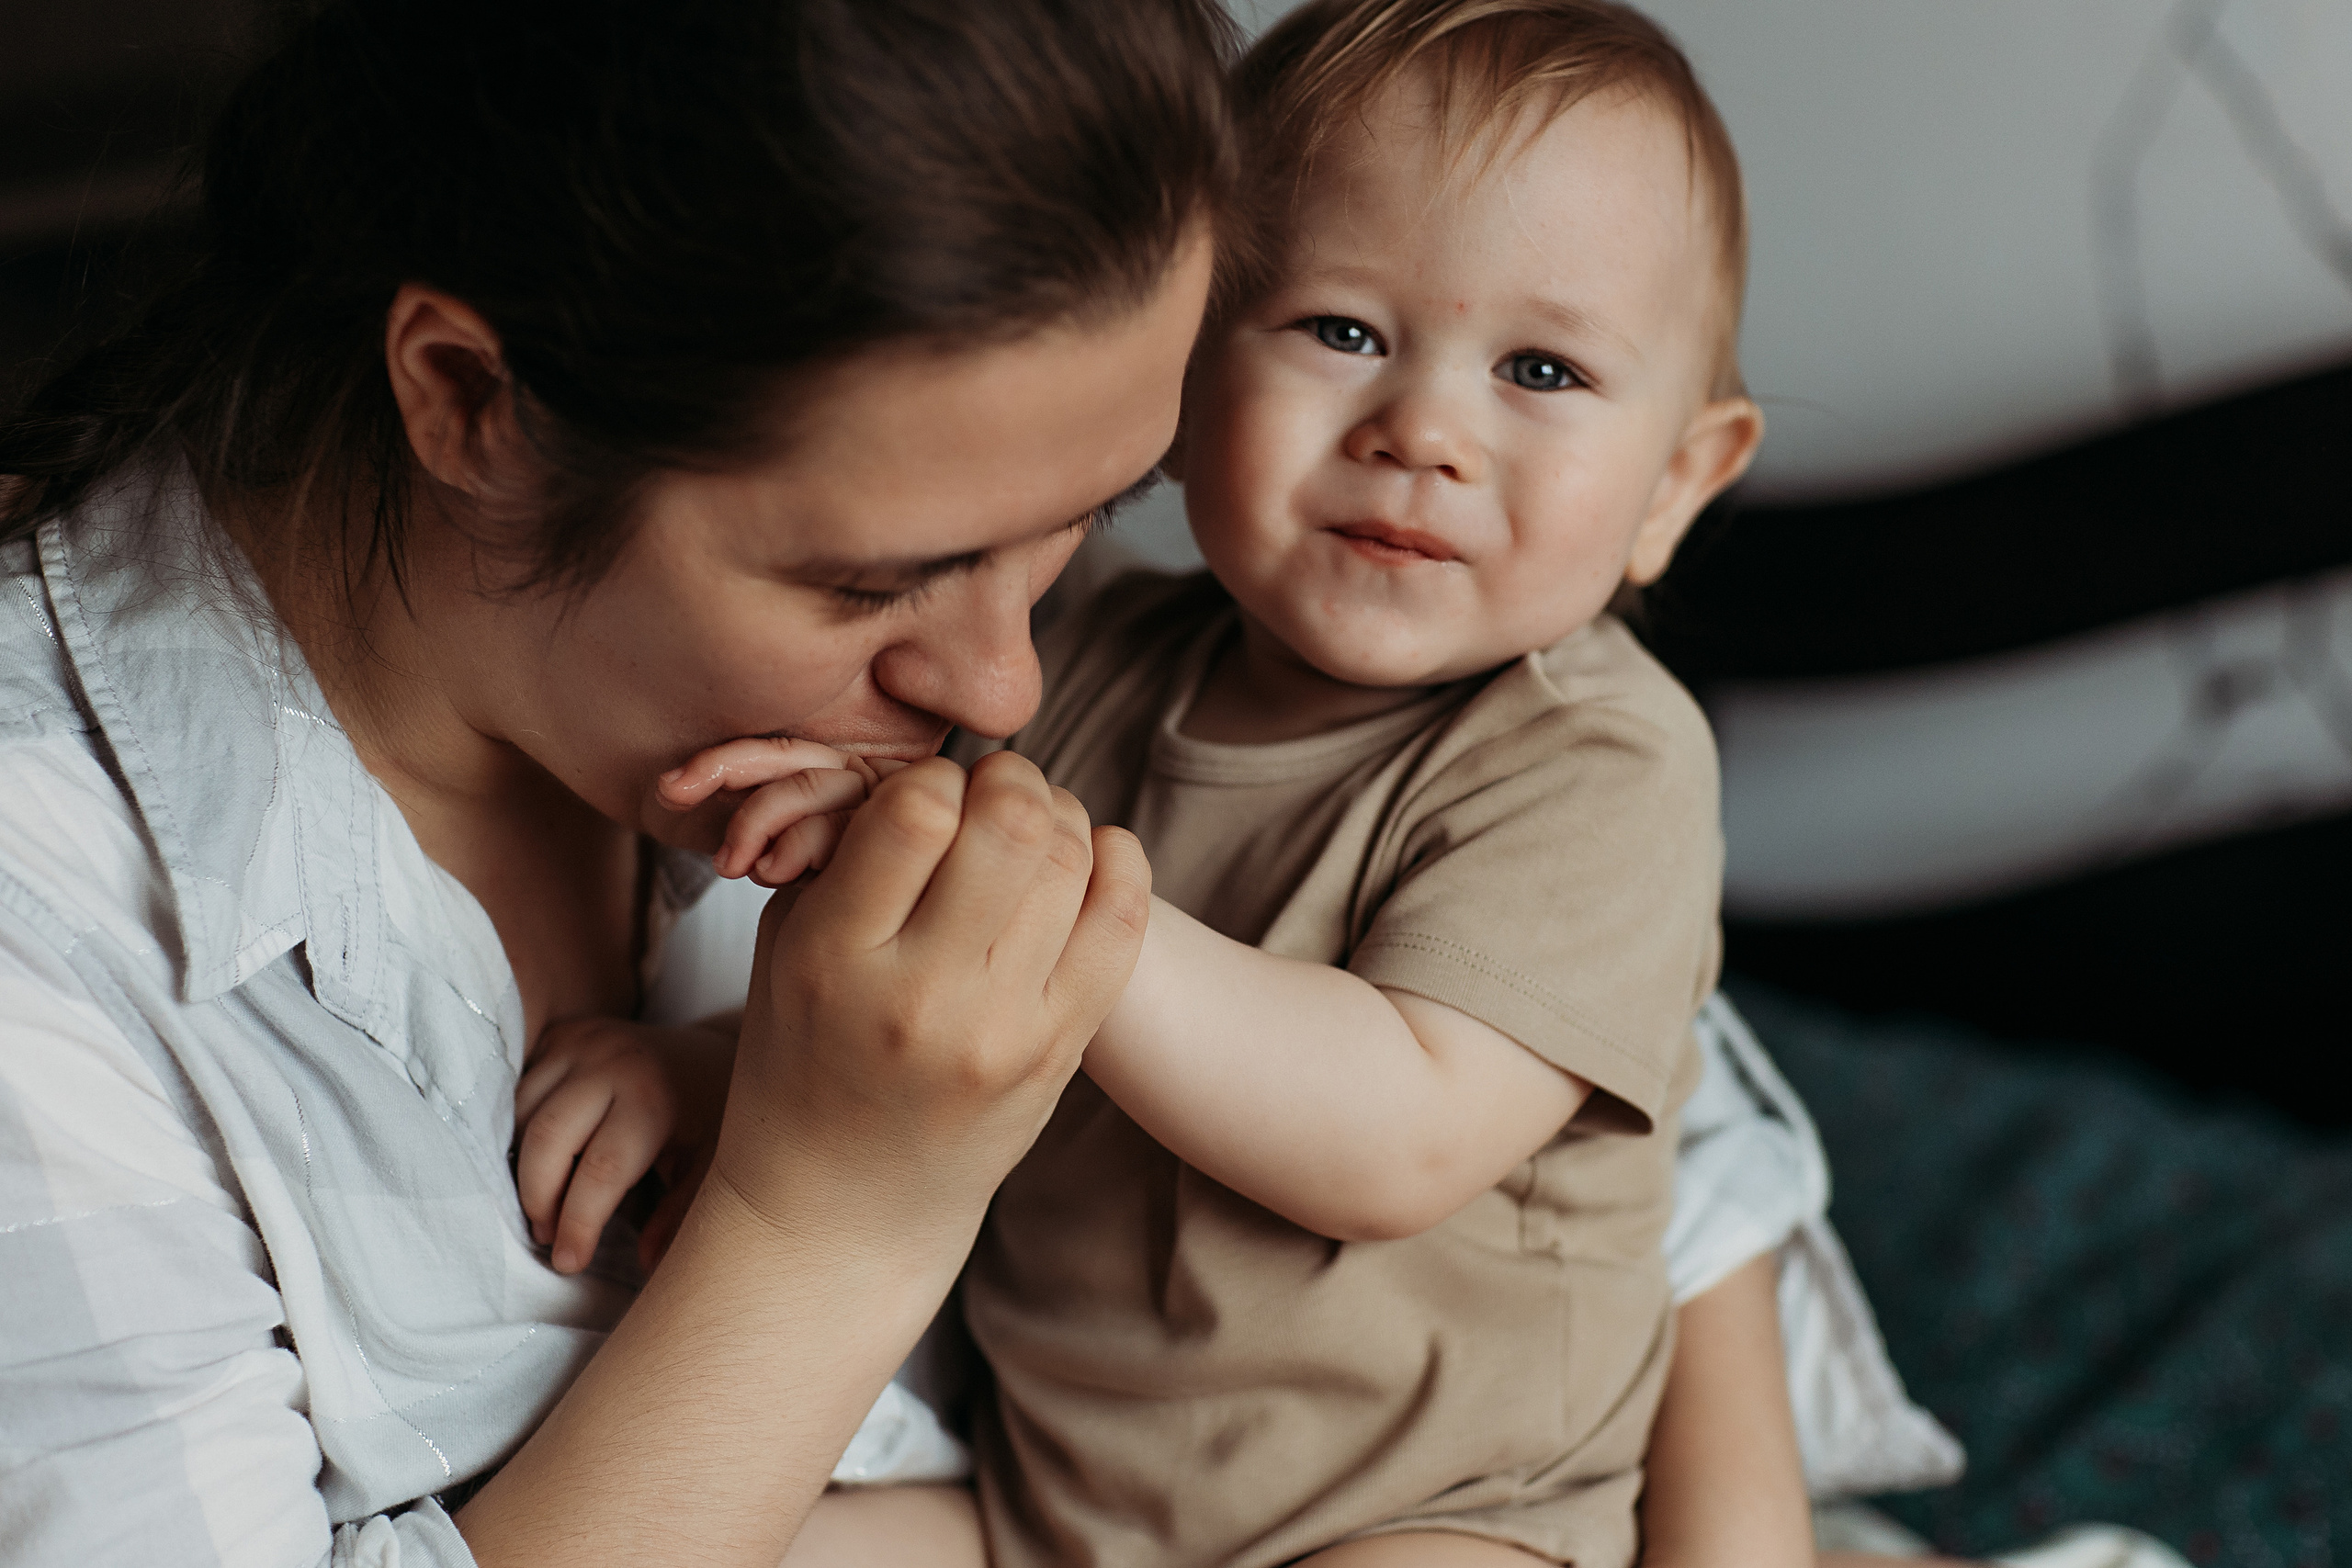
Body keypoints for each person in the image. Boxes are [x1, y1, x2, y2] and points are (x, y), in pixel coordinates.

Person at [571, 4, 1939, 1564]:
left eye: (1542, 369)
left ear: (1679, 485)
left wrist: (1059, 900)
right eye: (1342, 331)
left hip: (1435, 1519)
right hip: (1052, 1507)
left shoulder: (1595, 760)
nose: (1423, 431)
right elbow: (953, 1013)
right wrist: (726, 1072)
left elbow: (1397, 1134)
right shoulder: (1069, 661)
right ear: (1191, 364)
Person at [0, 1, 1238, 1563]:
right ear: (469, 403)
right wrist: (830, 1228)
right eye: (875, 587)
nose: (1008, 688)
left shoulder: (1062, 606)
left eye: (1092, 508)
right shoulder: (46, 943)